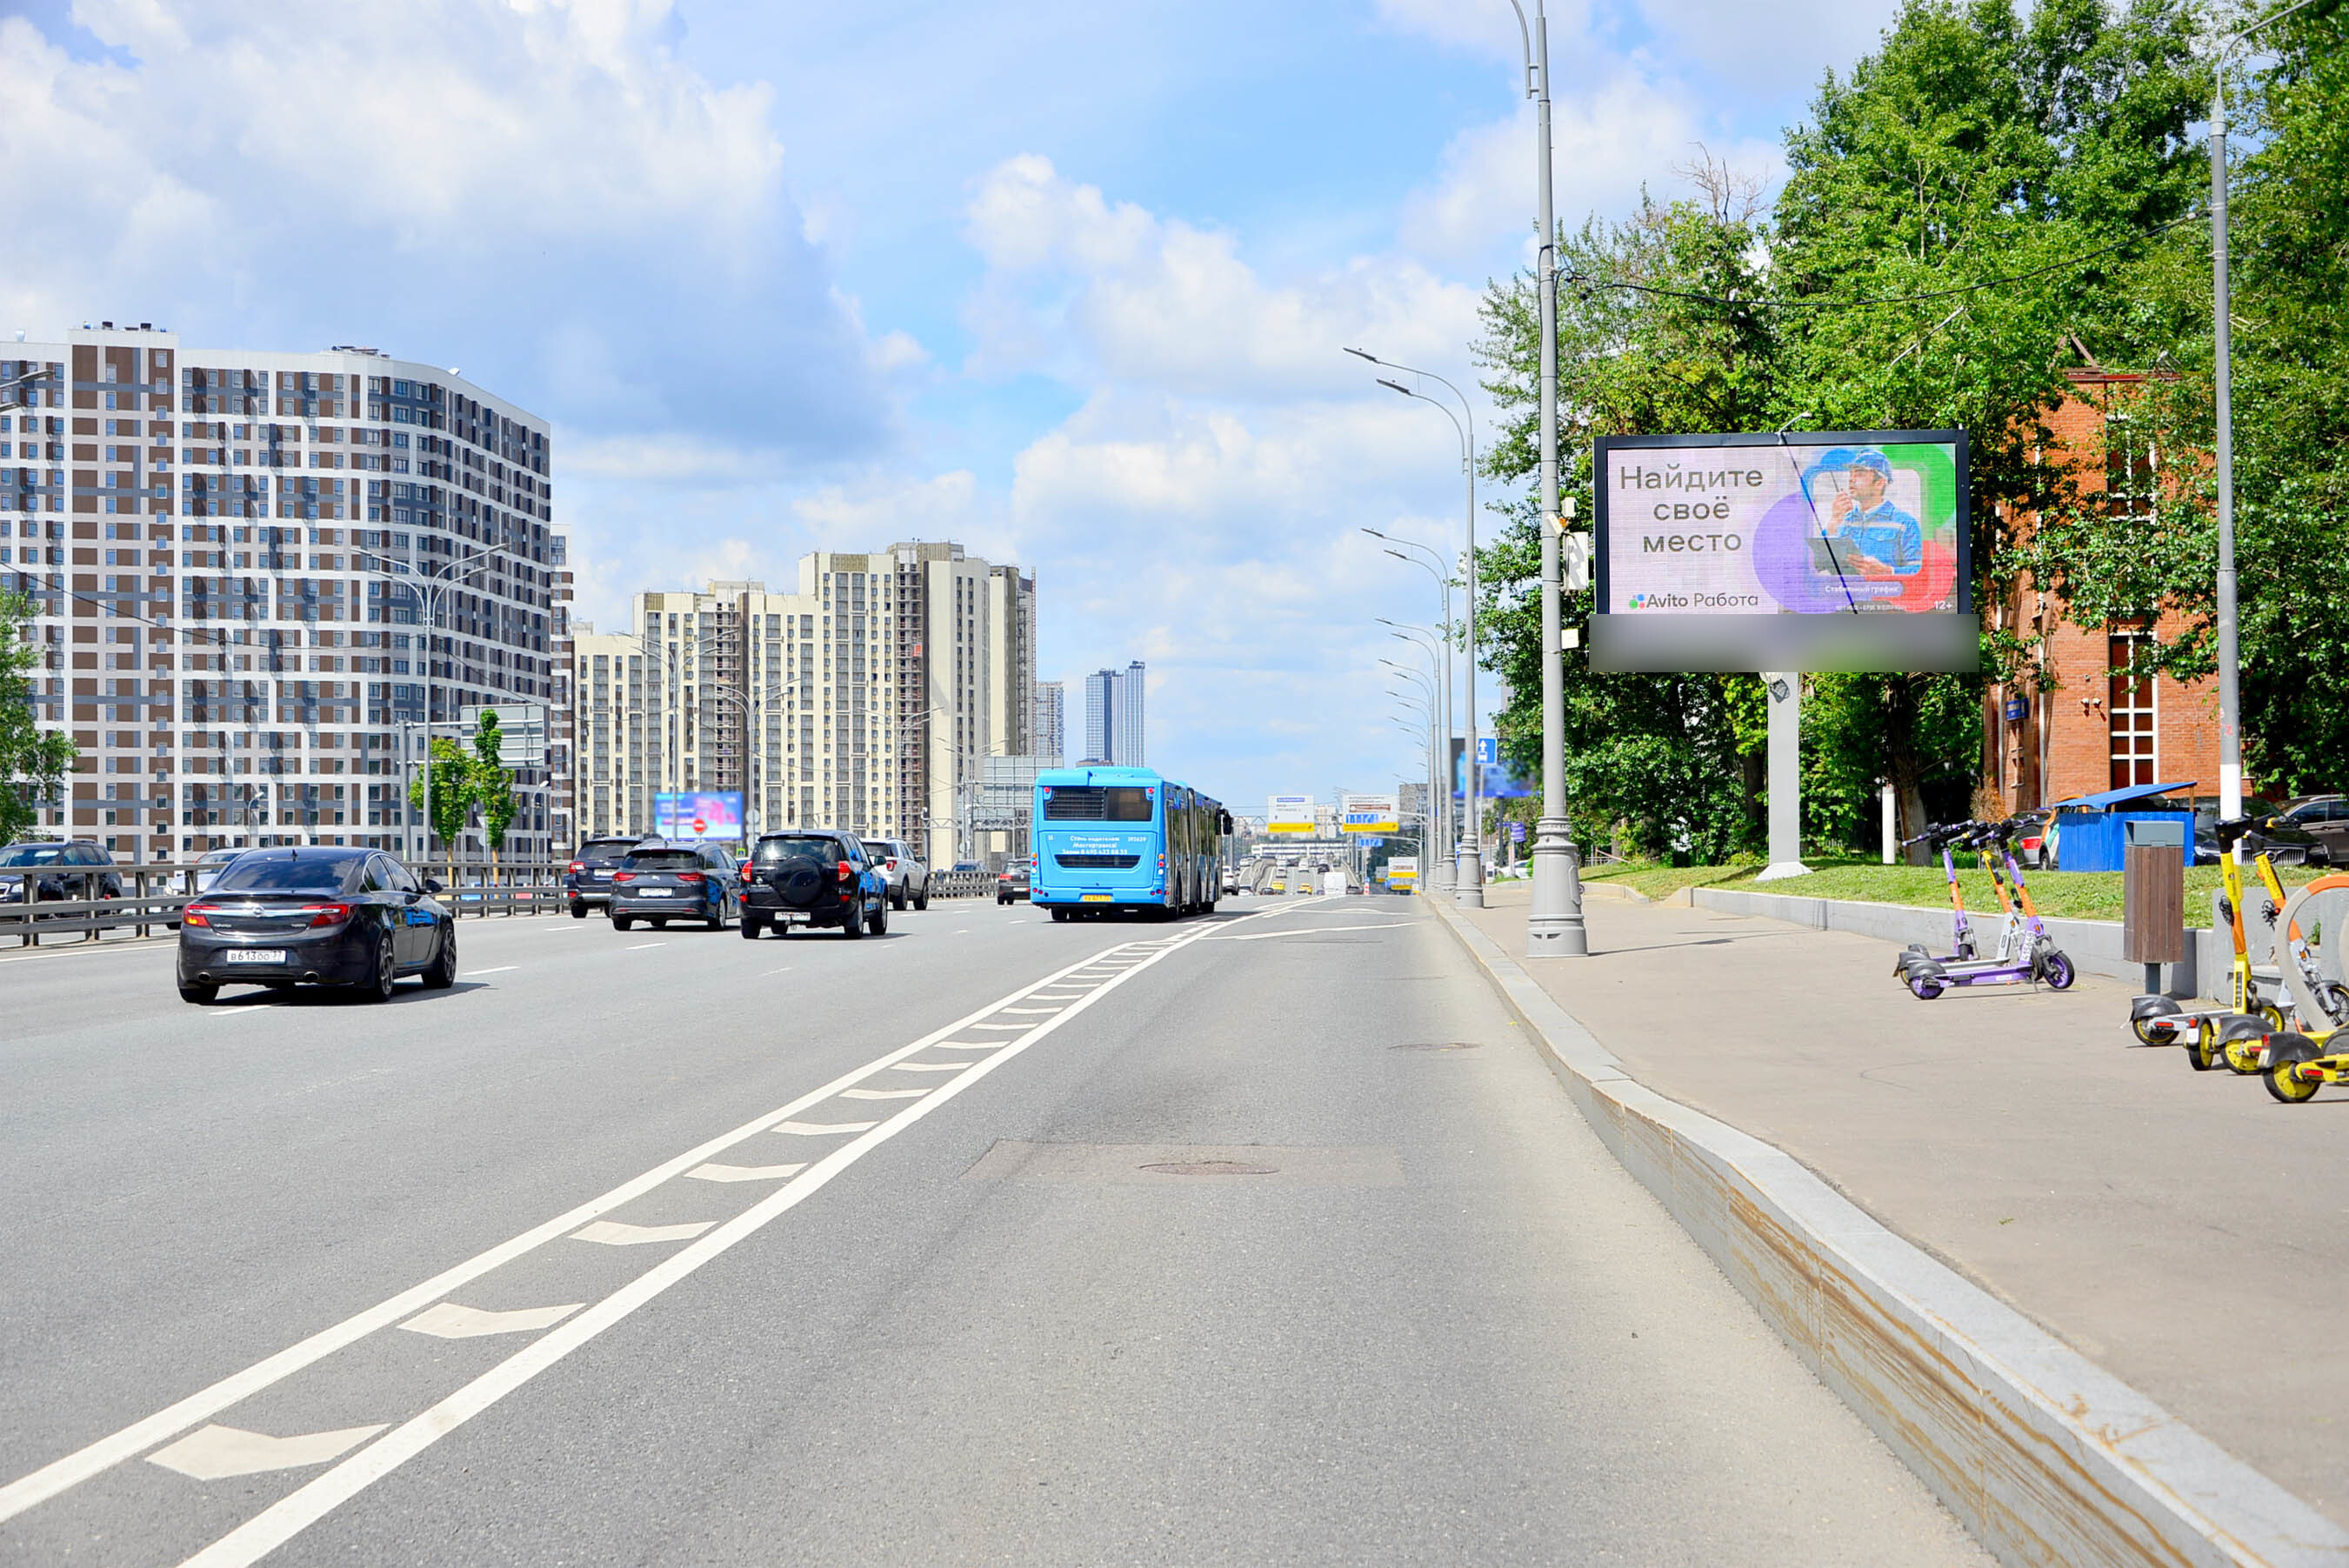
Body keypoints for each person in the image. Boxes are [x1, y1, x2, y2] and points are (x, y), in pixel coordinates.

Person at [1822, 449, 1922, 577]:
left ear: (1879, 483)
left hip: (1885, 590)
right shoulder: (1843, 520)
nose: (1851, 479)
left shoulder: (1905, 523)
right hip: (1846, 590)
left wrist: (1888, 572)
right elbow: (1819, 565)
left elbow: (1918, 572)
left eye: (1859, 474)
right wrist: (1834, 521)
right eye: (1851, 474)